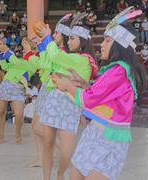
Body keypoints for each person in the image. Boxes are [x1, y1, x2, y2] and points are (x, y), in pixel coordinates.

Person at [52, 8, 146, 180]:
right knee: (76, 174)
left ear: (118, 44)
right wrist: (84, 83)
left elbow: (89, 99)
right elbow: (102, 94)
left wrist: (67, 86)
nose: (102, 44)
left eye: (107, 41)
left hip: (109, 138)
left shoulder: (119, 71)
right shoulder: (115, 69)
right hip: (96, 132)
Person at [29, 12, 98, 180]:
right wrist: (44, 44)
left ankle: (60, 175)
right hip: (54, 100)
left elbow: (56, 57)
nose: (69, 41)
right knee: (48, 143)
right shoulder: (67, 56)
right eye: (69, 38)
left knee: (66, 149)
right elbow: (48, 63)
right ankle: (46, 177)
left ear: (83, 41)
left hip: (70, 105)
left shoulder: (83, 60)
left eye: (72, 38)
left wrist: (46, 39)